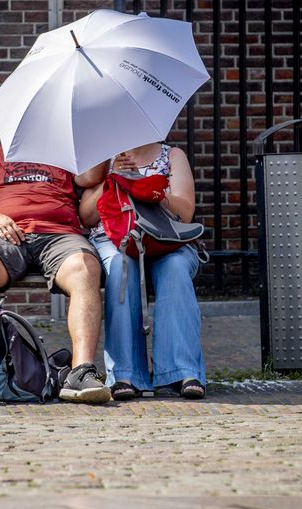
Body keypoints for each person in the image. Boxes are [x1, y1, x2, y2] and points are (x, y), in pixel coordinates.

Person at [0, 144, 112, 405]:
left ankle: (80, 372)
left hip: (59, 235)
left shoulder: (63, 151)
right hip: (5, 236)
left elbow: (90, 178)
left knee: (85, 267)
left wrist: (108, 141)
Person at [78, 142, 207, 401]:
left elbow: (185, 212)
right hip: (116, 239)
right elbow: (87, 217)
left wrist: (149, 188)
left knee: (175, 268)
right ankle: (125, 375)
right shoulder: (106, 157)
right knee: (121, 266)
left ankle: (181, 371)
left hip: (166, 240)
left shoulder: (172, 156)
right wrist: (113, 178)